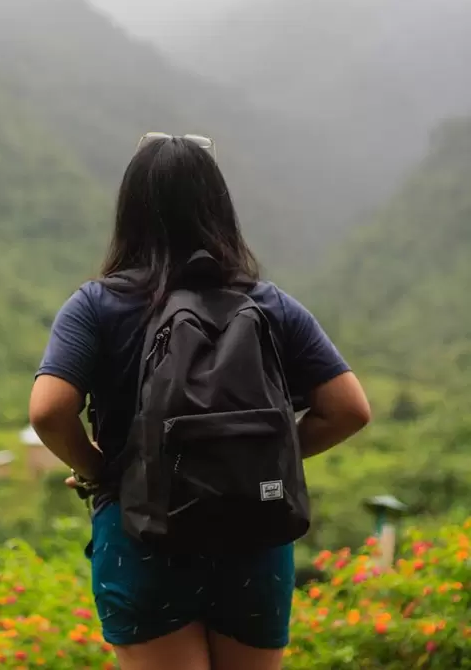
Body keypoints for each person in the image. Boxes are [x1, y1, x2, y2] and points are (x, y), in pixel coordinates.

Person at [29, 133, 371, 670]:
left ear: (132, 209)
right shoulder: (268, 303)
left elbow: (48, 410)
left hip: (141, 534)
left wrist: (101, 471)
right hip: (253, 534)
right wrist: (253, 459)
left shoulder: (96, 305)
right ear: (219, 206)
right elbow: (350, 408)